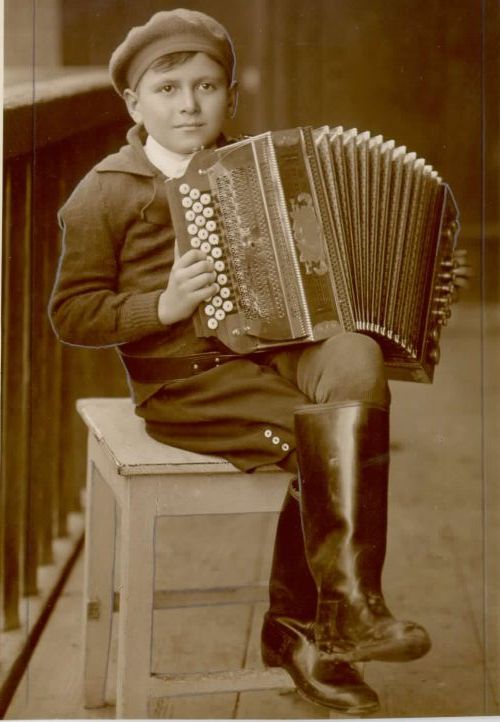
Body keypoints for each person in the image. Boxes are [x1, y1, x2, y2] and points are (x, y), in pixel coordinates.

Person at [49, 8, 468, 715]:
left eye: (207, 86)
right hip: (188, 386)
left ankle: (342, 612)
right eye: (168, 88)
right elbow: (73, 313)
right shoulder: (107, 190)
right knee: (327, 440)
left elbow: (336, 271)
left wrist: (424, 283)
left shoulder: (266, 170)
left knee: (354, 354)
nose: (189, 104)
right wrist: (162, 306)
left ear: (231, 97)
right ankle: (309, 629)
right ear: (134, 104)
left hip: (276, 356)